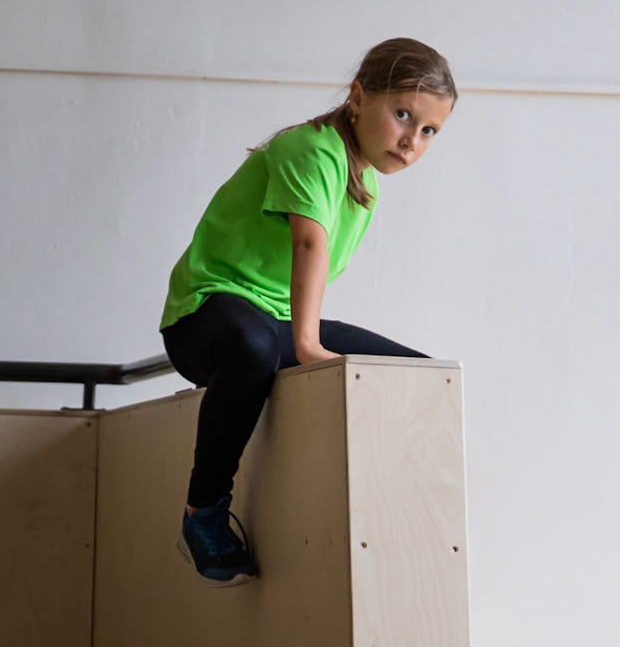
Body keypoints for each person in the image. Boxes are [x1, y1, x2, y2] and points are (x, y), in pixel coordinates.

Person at [160, 36, 457, 585]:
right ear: (358, 96)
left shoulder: (365, 181)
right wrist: (308, 345)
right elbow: (308, 244)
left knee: (418, 373)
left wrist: (303, 339)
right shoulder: (313, 149)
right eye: (402, 115)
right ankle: (202, 513)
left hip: (268, 322)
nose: (412, 141)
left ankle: (399, 524)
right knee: (253, 348)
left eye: (429, 131)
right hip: (204, 317)